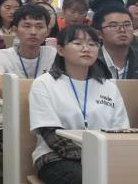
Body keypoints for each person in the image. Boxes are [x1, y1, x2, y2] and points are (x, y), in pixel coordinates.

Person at [28, 24, 128, 184]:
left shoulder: (108, 86)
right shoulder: (45, 83)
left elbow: (121, 131)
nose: (86, 49)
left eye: (92, 44)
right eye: (77, 43)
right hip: (56, 157)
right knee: (89, 179)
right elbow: (49, 132)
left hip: (104, 156)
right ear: (61, 50)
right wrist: (90, 157)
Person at [0, 3, 56, 151]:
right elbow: (4, 91)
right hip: (6, 125)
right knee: (23, 144)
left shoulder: (54, 55)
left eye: (39, 26)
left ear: (47, 31)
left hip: (45, 125)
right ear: (15, 30)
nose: (33, 32)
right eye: (26, 26)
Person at [93, 5, 138, 79]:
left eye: (127, 25)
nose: (122, 30)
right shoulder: (90, 61)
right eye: (114, 26)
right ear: (99, 34)